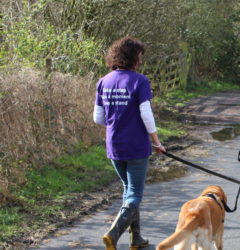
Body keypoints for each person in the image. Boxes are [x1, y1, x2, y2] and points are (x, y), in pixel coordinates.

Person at [93, 36, 166, 250]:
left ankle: (137, 239)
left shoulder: (103, 81)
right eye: (139, 56)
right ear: (133, 57)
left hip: (114, 144)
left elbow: (98, 118)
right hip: (136, 146)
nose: (141, 60)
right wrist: (156, 141)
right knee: (134, 193)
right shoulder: (139, 81)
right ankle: (113, 233)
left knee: (128, 190)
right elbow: (146, 113)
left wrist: (118, 121)